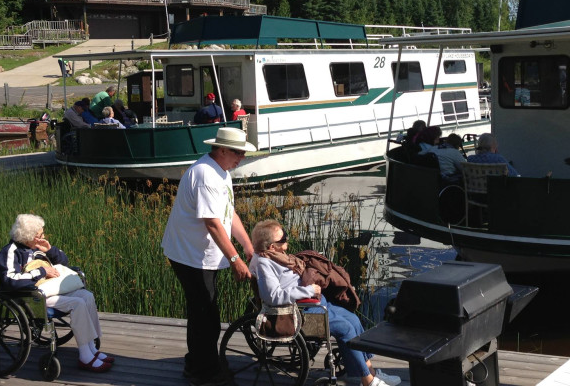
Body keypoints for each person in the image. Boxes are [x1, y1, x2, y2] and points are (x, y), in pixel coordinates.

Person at [250, 220, 401, 386]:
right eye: (283, 239)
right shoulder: (264, 263)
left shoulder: (274, 256)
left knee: (353, 319)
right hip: (299, 312)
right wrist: (308, 290)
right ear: (272, 246)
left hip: (313, 303)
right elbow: (273, 296)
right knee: (345, 329)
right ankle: (368, 381)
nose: (287, 240)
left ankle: (370, 372)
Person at [161, 127, 256, 386]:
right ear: (222, 150)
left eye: (244, 152)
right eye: (238, 152)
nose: (242, 157)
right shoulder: (205, 175)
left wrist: (248, 246)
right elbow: (212, 223)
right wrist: (236, 260)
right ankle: (203, 373)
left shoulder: (221, 171)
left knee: (205, 312)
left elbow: (228, 213)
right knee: (205, 314)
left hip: (201, 254)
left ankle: (198, 362)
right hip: (190, 255)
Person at [0, 214, 113, 372]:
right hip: (31, 297)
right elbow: (10, 280)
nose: (42, 237)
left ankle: (92, 348)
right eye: (39, 235)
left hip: (51, 290)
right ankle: (85, 356)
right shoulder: (11, 251)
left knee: (87, 296)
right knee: (77, 303)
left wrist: (50, 250)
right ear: (27, 236)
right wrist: (41, 271)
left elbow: (64, 263)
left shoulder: (38, 247)